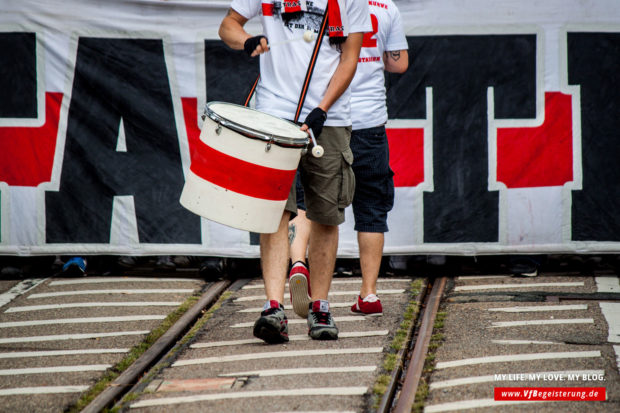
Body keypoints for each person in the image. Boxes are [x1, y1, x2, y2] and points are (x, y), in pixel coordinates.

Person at [219, 0, 370, 343]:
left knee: (326, 215)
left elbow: (350, 58)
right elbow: (228, 24)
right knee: (274, 212)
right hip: (273, 113)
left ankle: (320, 306)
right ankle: (273, 308)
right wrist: (245, 39)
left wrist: (321, 108)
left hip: (328, 119)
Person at [289, 0, 408, 317]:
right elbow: (400, 64)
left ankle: (299, 263)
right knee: (371, 208)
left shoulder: (322, 5)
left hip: (327, 120)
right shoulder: (387, 8)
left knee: (311, 203)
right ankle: (368, 294)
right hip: (370, 124)